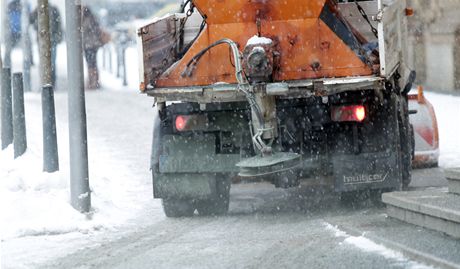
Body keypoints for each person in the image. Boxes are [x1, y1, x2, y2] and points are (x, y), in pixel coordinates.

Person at [30, 3, 63, 87]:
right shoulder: (38, 9)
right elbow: (30, 20)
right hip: (43, 40)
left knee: (51, 62)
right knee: (45, 62)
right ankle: (46, 82)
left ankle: (51, 82)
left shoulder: (53, 9)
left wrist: (58, 36)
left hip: (52, 40)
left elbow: (59, 24)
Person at [82, 6, 105, 89]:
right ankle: (96, 81)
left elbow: (84, 32)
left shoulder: (86, 21)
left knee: (90, 64)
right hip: (94, 45)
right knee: (94, 63)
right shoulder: (94, 19)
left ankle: (92, 82)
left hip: (89, 45)